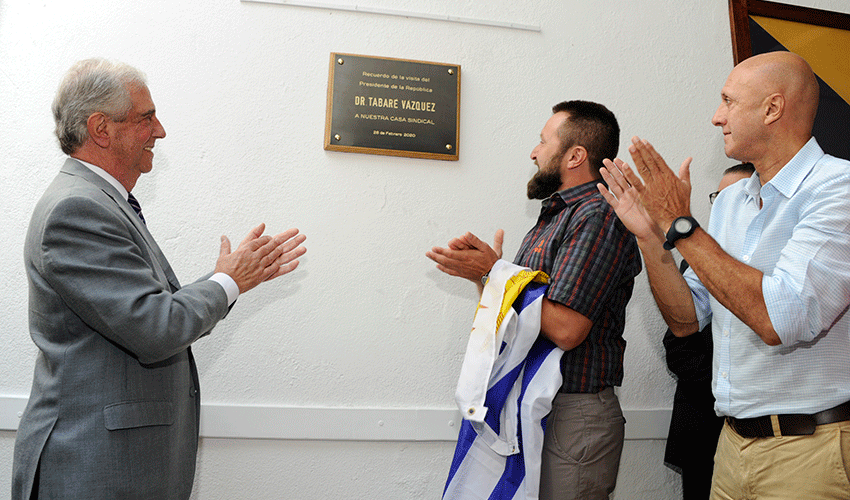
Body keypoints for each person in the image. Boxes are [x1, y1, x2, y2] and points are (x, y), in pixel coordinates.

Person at [12, 58, 307, 500]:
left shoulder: (98, 202)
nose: (161, 131)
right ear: (101, 129)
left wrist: (227, 278)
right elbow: (154, 328)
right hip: (95, 469)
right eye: (146, 118)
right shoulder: (77, 210)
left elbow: (142, 309)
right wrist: (229, 282)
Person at [598, 51, 850, 499]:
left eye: (728, 101)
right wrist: (651, 236)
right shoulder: (732, 201)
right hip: (731, 447)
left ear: (772, 109)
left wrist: (682, 225)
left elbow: (780, 318)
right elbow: (687, 319)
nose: (717, 117)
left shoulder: (838, 188)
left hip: (810, 453)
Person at [428, 100, 642, 499]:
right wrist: (486, 278)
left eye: (543, 141)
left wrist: (496, 272)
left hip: (571, 412)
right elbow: (521, 319)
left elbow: (566, 329)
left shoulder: (597, 215)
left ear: (575, 155)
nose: (534, 152)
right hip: (532, 403)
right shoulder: (552, 218)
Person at [662, 162, 753, 500]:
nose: (724, 205)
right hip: (703, 428)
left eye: (736, 196)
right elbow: (679, 345)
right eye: (719, 196)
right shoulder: (694, 261)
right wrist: (723, 391)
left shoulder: (778, 258)